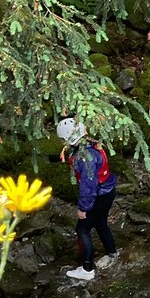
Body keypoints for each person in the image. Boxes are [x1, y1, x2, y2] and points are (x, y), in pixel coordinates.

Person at [57, 118, 117, 281]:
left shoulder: (85, 157)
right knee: (101, 223)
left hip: (98, 195)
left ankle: (87, 269)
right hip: (108, 190)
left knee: (82, 229)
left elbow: (88, 187)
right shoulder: (93, 144)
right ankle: (112, 253)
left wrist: (83, 209)